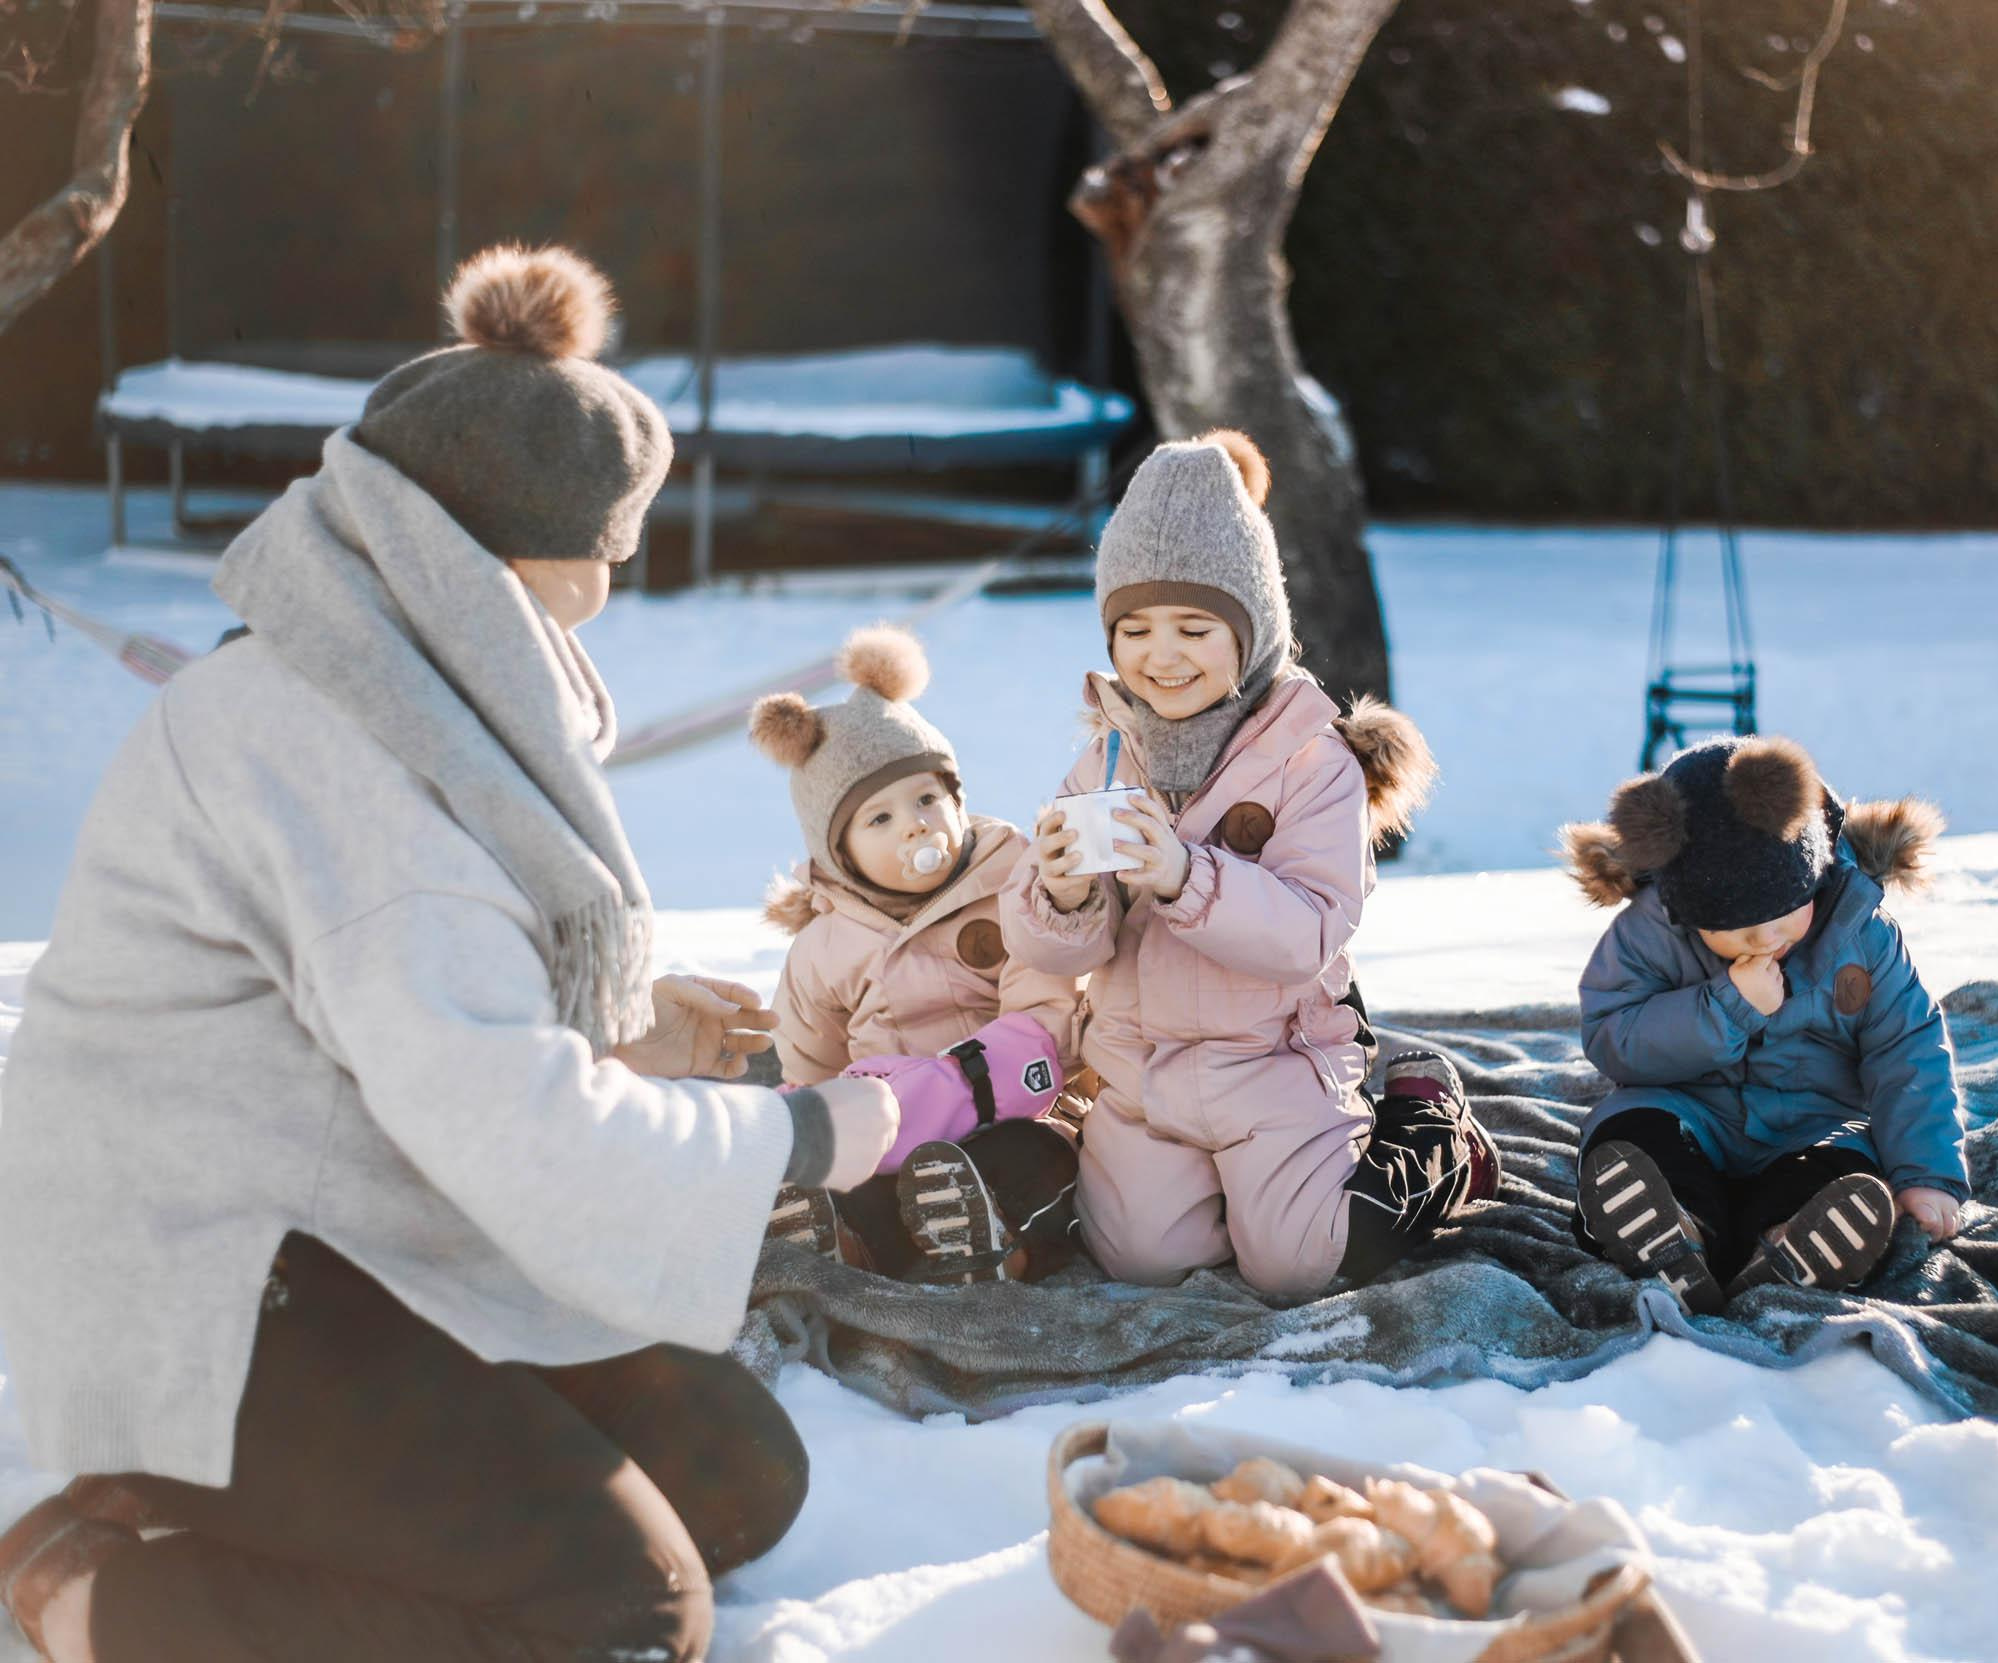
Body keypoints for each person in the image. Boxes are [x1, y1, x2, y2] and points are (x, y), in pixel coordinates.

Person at [0, 245, 898, 1663]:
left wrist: (618, 1038)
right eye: (568, 595)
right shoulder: (348, 751)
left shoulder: (393, 682)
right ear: (476, 572)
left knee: (735, 1469)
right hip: (214, 1279)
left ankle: (226, 1502)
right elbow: (500, 1112)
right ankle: (102, 1597)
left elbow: (399, 1016)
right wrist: (805, 1132)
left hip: (337, 1223)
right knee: (627, 1610)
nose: (576, 636)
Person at [1000, 428, 1497, 1300]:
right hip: (1145, 1069)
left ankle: (1429, 1124)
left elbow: (1309, 928)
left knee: (1301, 1262)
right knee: (1140, 1258)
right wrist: (1062, 893)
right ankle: (1202, 1191)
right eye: (1135, 628)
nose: (1162, 655)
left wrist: (1186, 878)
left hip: (1274, 1060)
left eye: (1195, 627)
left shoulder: (1312, 758)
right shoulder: (1108, 759)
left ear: (1254, 628)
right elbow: (1053, 953)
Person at [1561, 735, 1966, 1315]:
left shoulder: (1861, 935)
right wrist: (1727, 1004)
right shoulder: (1648, 932)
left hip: (1812, 1124)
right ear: (1686, 910)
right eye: (1740, 932)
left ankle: (1787, 1241)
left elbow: (1907, 1049)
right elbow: (1612, 1035)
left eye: (1783, 916)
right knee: (1629, 1137)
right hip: (1686, 1110)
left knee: (1844, 1167)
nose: (1768, 940)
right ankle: (1678, 1232)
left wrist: (1925, 1173)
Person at [749, 624, 1082, 1282]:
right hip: (886, 1137)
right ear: (839, 854)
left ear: (958, 798)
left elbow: (1047, 1023)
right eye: (879, 818)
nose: (916, 823)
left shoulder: (1012, 886)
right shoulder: (824, 947)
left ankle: (1000, 1244)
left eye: (928, 798)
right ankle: (850, 1243)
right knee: (859, 1176)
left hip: (1015, 1109)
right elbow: (808, 1063)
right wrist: (813, 1129)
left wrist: (932, 1094)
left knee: (1042, 1159)